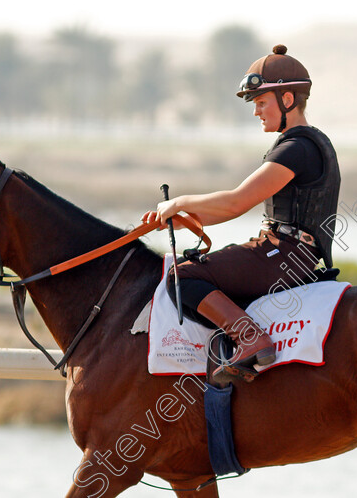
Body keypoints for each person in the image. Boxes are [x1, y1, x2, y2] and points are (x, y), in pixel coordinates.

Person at [142, 44, 341, 383]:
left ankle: (251, 340)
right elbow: (229, 209)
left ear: (288, 100)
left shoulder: (297, 149)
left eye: (261, 102)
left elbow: (236, 202)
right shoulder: (304, 144)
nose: (256, 112)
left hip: (283, 255)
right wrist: (186, 218)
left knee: (182, 277)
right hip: (291, 253)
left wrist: (178, 203)